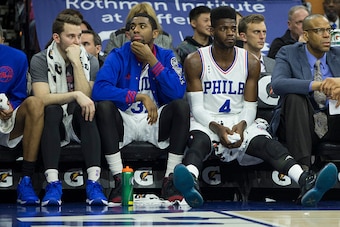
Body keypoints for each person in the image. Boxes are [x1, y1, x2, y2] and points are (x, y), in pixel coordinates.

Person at [172, 6, 338, 208]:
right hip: (207, 120)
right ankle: (191, 183)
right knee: (199, 142)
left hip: (241, 119)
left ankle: (306, 180)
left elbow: (250, 107)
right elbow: (196, 108)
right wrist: (218, 128)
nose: (230, 33)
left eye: (233, 28)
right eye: (224, 29)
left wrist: (241, 127)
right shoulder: (195, 60)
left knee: (267, 144)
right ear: (212, 31)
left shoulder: (250, 61)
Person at [92, 13, 189, 203]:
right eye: (132, 26)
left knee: (181, 107)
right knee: (103, 107)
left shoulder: (167, 55)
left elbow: (177, 92)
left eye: (142, 26)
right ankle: (120, 179)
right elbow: (99, 90)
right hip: (125, 120)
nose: (135, 29)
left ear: (155, 33)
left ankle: (170, 180)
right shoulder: (117, 55)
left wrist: (152, 61)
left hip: (155, 122)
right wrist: (138, 96)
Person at [30, 13, 107, 206]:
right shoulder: (40, 60)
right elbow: (40, 98)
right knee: (52, 109)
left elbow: (86, 97)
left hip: (78, 120)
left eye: (79, 36)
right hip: (53, 121)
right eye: (71, 36)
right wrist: (74, 95)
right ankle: (53, 184)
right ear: (57, 38)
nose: (77, 41)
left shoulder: (90, 60)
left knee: (87, 109)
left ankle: (93, 183)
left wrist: (76, 63)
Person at [270, 14, 340, 173]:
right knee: (295, 98)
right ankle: (303, 174)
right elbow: (278, 84)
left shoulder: (338, 54)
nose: (326, 35)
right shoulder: (288, 52)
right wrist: (318, 85)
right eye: (320, 30)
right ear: (306, 35)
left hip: (334, 121)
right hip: (301, 122)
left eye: (328, 30)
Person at [0, 25, 44, 206]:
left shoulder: (17, 57)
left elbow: (20, 95)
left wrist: (11, 107)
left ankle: (26, 180)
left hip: (8, 119)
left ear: (2, 39)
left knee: (35, 103)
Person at [104, 2, 174, 55]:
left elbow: (175, 64)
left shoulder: (165, 38)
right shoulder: (118, 37)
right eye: (134, 24)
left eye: (142, 25)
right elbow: (107, 61)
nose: (137, 29)